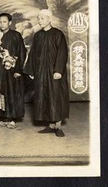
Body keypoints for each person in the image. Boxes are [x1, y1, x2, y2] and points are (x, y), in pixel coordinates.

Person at [24, 9, 69, 137]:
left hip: (54, 72)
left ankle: (58, 126)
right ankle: (50, 125)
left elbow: (62, 53)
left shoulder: (58, 34)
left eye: (42, 18)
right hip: (41, 72)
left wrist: (58, 71)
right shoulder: (38, 36)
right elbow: (32, 54)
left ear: (50, 19)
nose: (39, 21)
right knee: (44, 97)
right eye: (38, 18)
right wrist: (31, 70)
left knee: (55, 97)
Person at [0, 13, 26, 129]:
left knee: (12, 92)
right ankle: (2, 117)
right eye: (0, 22)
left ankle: (11, 118)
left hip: (12, 69)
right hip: (0, 70)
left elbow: (22, 53)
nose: (2, 24)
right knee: (0, 92)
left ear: (10, 23)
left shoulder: (16, 35)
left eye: (4, 21)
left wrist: (18, 70)